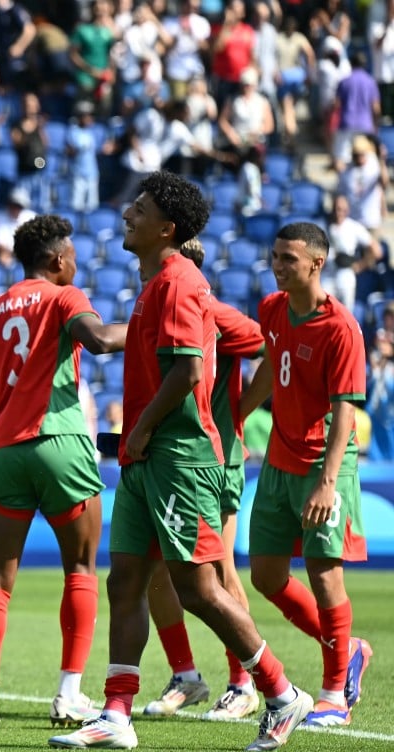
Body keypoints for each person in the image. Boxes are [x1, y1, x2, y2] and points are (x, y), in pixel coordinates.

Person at [49, 171, 312, 752]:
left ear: (166, 227)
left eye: (138, 209)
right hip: (148, 457)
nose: (127, 215)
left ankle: (280, 691)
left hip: (180, 457)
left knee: (198, 589)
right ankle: (116, 713)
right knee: (127, 582)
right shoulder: (154, 284)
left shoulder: (179, 282)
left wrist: (140, 429)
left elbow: (189, 371)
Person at [0, 214, 127, 732]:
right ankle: (68, 696)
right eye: (71, 256)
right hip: (61, 442)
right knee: (80, 568)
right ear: (56, 260)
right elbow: (97, 341)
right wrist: (153, 323)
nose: (76, 263)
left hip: (3, 452)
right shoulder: (65, 297)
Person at [240, 222, 373, 728]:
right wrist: (234, 416)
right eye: (275, 256)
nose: (277, 265)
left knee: (323, 573)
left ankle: (334, 694)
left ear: (316, 264)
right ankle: (350, 648)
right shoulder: (272, 309)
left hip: (325, 467)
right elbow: (271, 369)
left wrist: (327, 479)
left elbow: (344, 411)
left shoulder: (340, 326)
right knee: (267, 576)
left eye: (288, 259)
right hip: (278, 460)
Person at [141, 237, 269, 721]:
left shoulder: (212, 310)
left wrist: (239, 412)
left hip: (215, 461)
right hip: (168, 461)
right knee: (159, 575)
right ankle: (186, 677)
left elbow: (268, 347)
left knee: (219, 573)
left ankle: (245, 683)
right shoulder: (154, 308)